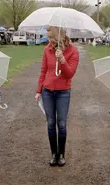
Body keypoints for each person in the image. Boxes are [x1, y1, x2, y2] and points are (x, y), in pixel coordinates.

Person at [35, 26, 79, 167]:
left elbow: (70, 74)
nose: (49, 41)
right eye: (48, 38)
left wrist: (62, 60)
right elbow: (43, 71)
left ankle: (61, 155)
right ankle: (54, 154)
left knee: (61, 124)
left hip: (63, 92)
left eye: (52, 38)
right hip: (47, 91)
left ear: (60, 37)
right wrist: (38, 90)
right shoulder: (47, 50)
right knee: (50, 123)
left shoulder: (73, 51)